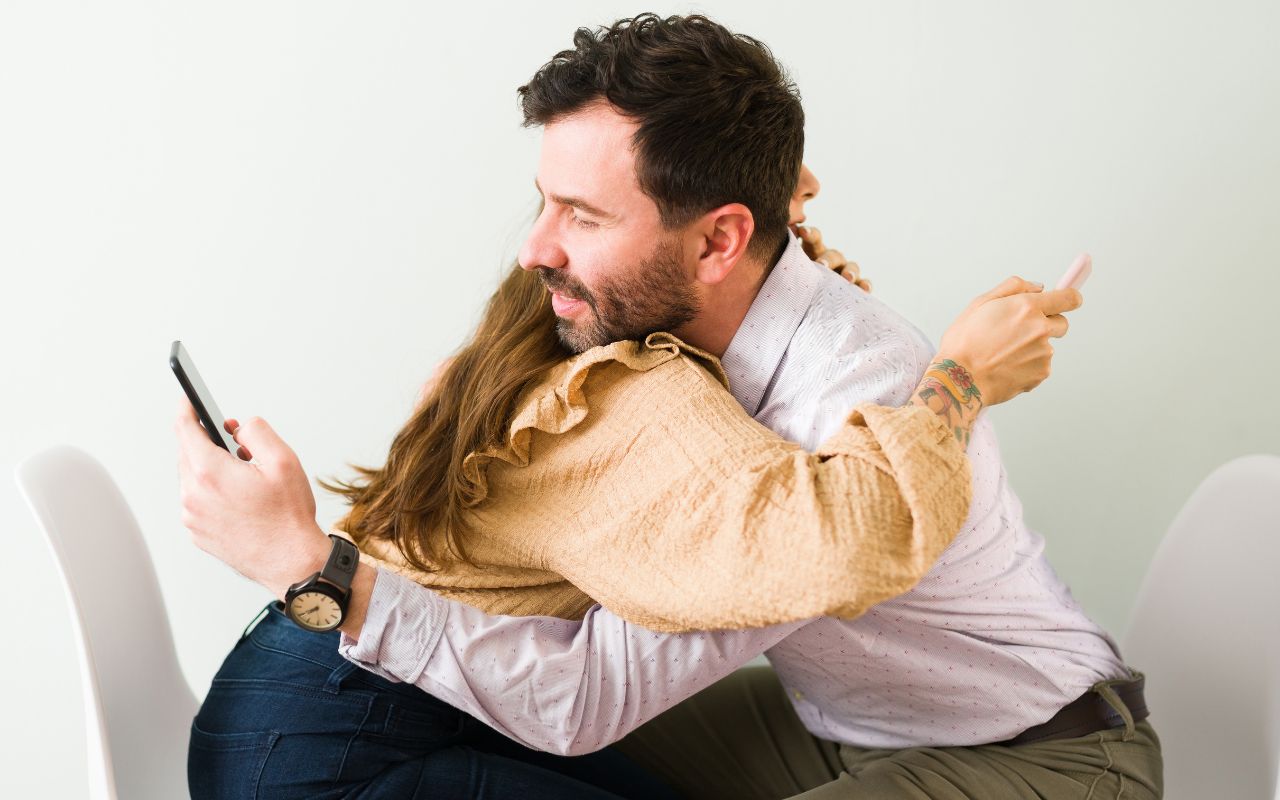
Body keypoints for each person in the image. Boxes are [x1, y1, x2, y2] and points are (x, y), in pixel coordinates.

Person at [176, 13, 1159, 799]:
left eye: (584, 215)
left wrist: (962, 375)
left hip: (1047, 754)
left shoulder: (837, 399)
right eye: (545, 201)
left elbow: (589, 694)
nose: (533, 249)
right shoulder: (660, 328)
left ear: (719, 241)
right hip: (839, 730)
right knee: (503, 729)